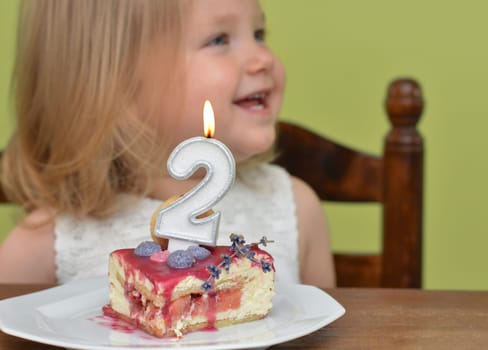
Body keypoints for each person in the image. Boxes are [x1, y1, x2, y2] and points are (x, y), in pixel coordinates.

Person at [0, 0, 335, 289]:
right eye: (219, 39)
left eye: (259, 34)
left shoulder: (297, 209)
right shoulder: (46, 243)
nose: (262, 58)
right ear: (117, 84)